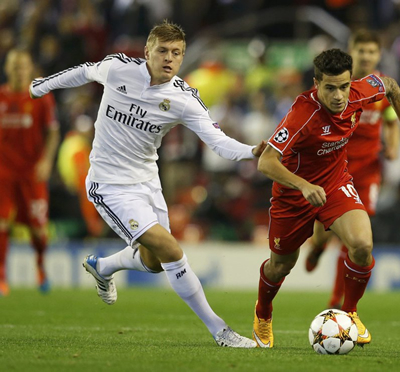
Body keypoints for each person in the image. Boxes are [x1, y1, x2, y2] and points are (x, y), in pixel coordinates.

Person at [30, 20, 265, 348]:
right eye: (163, 51)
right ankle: (221, 331)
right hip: (108, 184)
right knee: (171, 249)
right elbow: (84, 71)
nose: (170, 58)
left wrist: (252, 151)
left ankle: (105, 266)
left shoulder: (184, 99)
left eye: (177, 53)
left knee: (156, 262)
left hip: (147, 184)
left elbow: (219, 142)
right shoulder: (118, 69)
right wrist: (40, 86)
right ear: (147, 52)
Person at [252, 48, 400, 348]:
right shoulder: (301, 114)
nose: (339, 95)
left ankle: (350, 311)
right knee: (281, 266)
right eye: (330, 88)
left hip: (334, 184)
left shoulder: (358, 92)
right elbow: (266, 162)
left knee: (362, 245)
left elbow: (392, 86)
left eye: (343, 86)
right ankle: (263, 312)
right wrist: (303, 185)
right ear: (316, 84)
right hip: (293, 195)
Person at [304, 29, 400, 309]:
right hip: (334, 171)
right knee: (325, 233)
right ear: (351, 51)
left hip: (367, 172)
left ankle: (339, 303)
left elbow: (391, 119)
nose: (367, 56)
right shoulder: (338, 85)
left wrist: (392, 145)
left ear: (379, 55)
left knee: (355, 241)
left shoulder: (379, 87)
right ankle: (318, 246)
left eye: (372, 52)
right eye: (362, 51)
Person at [0, 49, 60, 296]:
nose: (18, 70)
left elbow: (53, 132)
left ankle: (40, 266)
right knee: (2, 222)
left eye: (23, 65)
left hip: (31, 173)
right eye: (14, 65)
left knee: (38, 228)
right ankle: (1, 276)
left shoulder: (41, 97)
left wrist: (46, 161)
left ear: (30, 69)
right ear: (7, 68)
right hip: (3, 173)